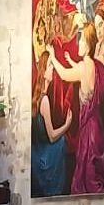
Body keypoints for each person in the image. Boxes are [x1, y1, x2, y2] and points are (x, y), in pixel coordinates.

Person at [53, 23, 104, 193]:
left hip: (89, 130)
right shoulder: (98, 66)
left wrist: (52, 57)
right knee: (98, 172)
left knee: (88, 177)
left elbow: (64, 75)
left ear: (88, 44)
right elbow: (84, 73)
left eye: (81, 41)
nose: (78, 44)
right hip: (97, 126)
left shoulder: (83, 68)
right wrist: (71, 61)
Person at [30, 52, 73, 196]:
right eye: (49, 66)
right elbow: (52, 136)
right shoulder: (44, 100)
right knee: (61, 141)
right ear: (43, 72)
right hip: (43, 157)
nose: (52, 70)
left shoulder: (37, 98)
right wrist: (67, 125)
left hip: (38, 153)